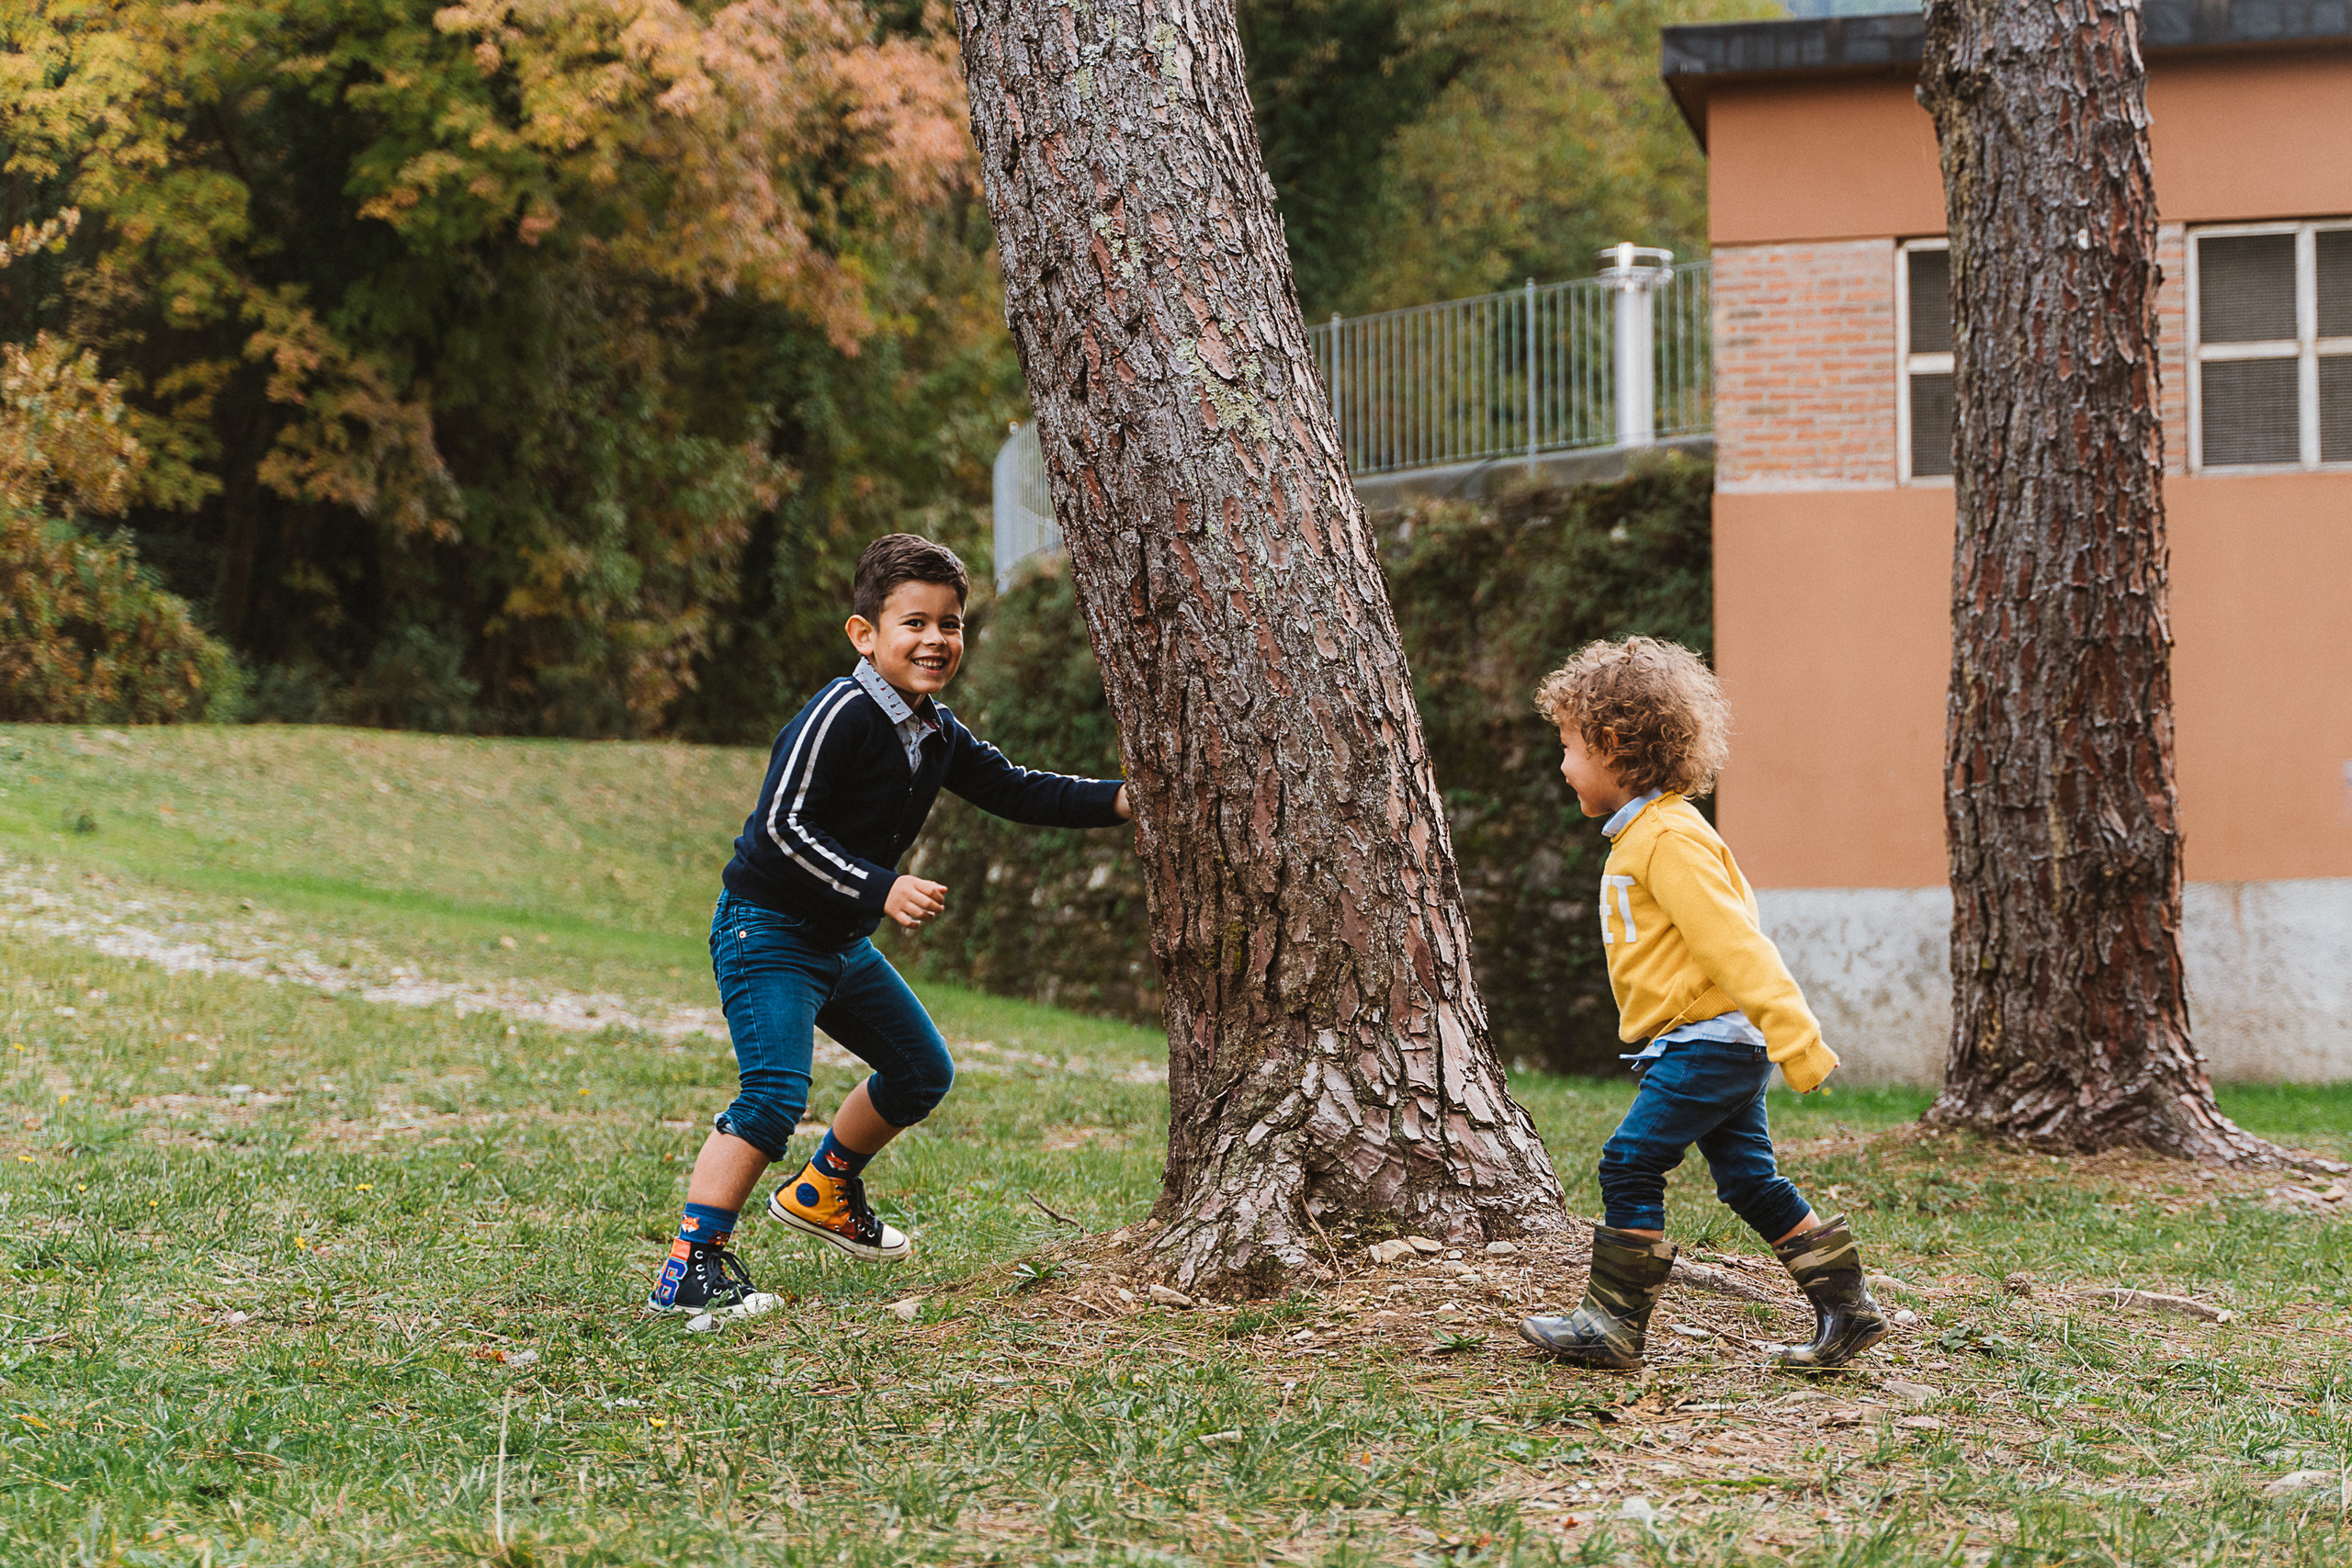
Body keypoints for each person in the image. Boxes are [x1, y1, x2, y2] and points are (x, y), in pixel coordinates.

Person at [649, 534, 1133, 1317]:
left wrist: (1120, 799)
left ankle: (824, 1187)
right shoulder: (839, 713)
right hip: (768, 929)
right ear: (864, 634)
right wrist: (882, 885)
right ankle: (689, 1266)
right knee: (773, 1092)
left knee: (920, 1070)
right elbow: (779, 829)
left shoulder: (936, 730)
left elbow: (1017, 789)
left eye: (951, 623)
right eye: (914, 622)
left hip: (839, 942)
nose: (936, 640)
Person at [1518, 637, 1885, 1371]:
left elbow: (1736, 945)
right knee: (1750, 1179)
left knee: (1629, 1161)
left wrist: (1796, 1035)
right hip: (1706, 1042)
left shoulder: (1670, 839)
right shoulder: (1645, 837)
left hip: (1707, 1044)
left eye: (1567, 747)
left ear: (1612, 744)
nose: (1561, 766)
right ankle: (1847, 1309)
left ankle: (1612, 1324)